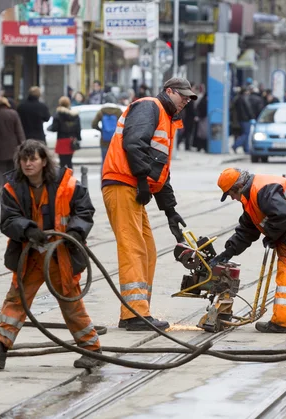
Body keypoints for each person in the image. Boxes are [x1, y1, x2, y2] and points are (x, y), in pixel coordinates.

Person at [0, 140, 101, 370]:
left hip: (60, 254)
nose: (28, 163)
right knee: (17, 299)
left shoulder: (67, 183)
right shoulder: (12, 188)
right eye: (24, 159)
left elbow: (85, 210)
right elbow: (8, 220)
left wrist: (74, 231)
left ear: (44, 161)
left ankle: (92, 350)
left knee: (71, 304)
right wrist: (28, 229)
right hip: (30, 255)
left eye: (33, 159)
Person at [101, 77, 197, 331]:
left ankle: (135, 311)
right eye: (182, 95)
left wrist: (170, 211)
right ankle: (135, 315)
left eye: (189, 98)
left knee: (147, 250)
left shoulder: (166, 119)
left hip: (132, 186)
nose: (186, 101)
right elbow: (133, 144)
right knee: (134, 248)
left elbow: (160, 172)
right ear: (168, 91)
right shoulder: (149, 106)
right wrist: (142, 181)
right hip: (123, 183)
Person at [212, 168, 286, 333]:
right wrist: (228, 252)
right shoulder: (253, 193)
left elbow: (283, 215)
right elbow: (247, 230)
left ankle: (282, 322)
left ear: (238, 187)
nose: (232, 198)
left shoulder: (261, 191)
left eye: (231, 194)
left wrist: (270, 234)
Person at [0, 96, 26, 195]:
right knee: (12, 169)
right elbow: (19, 132)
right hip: (13, 147)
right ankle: (10, 189)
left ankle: (0, 188)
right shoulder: (14, 114)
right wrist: (23, 145)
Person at [48, 96, 82, 169]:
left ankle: (63, 178)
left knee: (62, 163)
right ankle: (70, 178)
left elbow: (54, 128)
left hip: (61, 140)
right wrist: (78, 138)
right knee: (69, 161)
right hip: (71, 140)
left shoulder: (58, 115)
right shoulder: (75, 115)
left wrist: (49, 128)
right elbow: (78, 128)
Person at [91, 96, 123, 166]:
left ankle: (103, 176)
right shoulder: (118, 111)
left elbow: (94, 124)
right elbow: (125, 124)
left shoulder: (102, 111)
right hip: (116, 141)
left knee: (104, 162)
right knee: (115, 162)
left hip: (104, 140)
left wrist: (101, 130)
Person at [231, 88, 254, 153]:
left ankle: (246, 149)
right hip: (245, 119)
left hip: (239, 119)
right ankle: (235, 145)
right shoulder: (244, 98)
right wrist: (252, 117)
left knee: (245, 134)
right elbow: (248, 108)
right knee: (246, 134)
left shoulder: (237, 98)